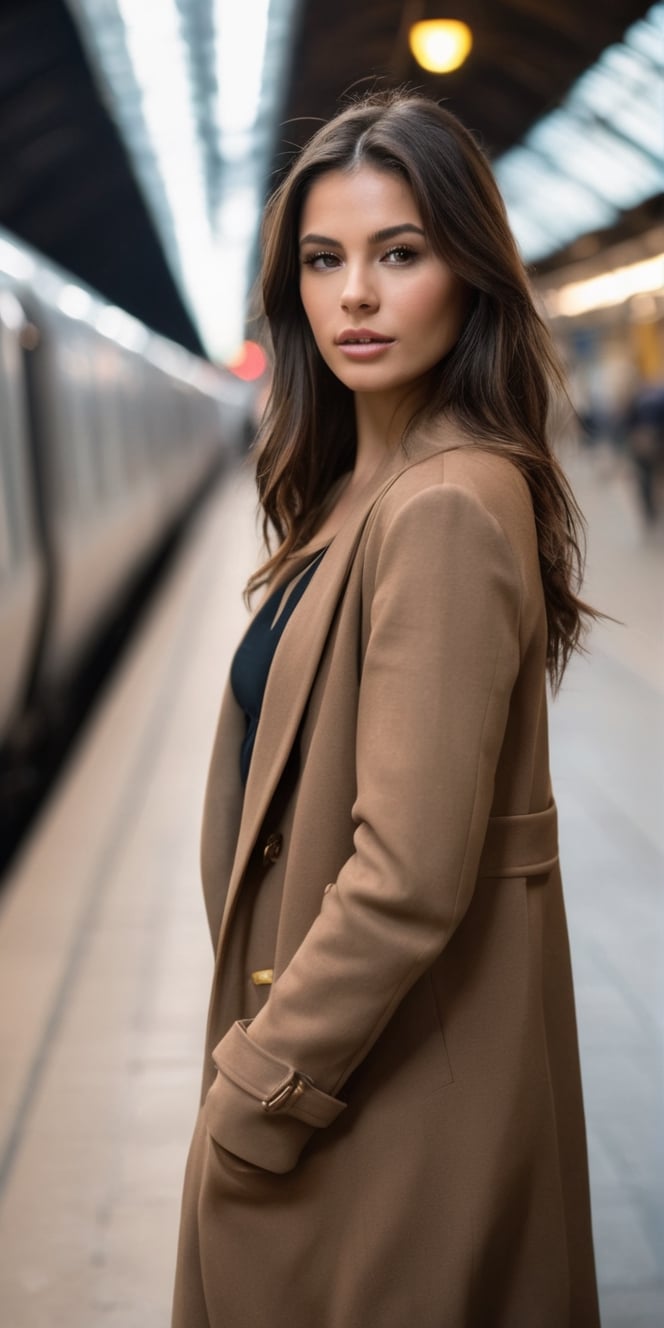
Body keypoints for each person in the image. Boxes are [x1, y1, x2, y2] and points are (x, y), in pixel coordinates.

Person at [171, 90, 601, 1328]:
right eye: (324, 258)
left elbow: (408, 870)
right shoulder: (363, 492)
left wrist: (259, 1081)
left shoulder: (444, 506)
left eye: (397, 253)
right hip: (363, 1074)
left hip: (385, 1095)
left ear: (467, 270)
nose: (354, 293)